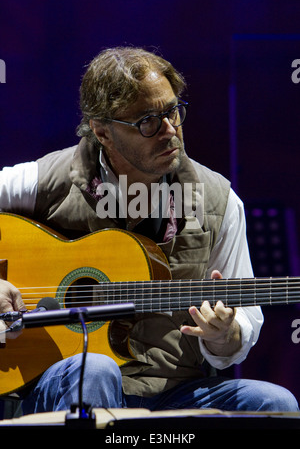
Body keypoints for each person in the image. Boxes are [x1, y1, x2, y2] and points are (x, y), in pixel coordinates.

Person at [0, 46, 298, 415]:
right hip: (67, 381)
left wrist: (224, 335)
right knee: (96, 369)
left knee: (276, 403)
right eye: (147, 121)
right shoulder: (42, 182)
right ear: (102, 131)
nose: (170, 130)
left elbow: (237, 338)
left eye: (173, 111)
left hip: (176, 390)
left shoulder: (219, 201)